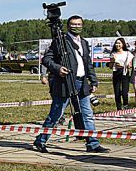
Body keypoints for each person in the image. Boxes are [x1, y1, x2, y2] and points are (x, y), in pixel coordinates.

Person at [31, 15, 109, 154]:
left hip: (82, 83)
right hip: (65, 83)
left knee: (87, 114)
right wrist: (58, 68)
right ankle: (41, 140)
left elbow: (88, 63)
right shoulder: (60, 41)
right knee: (56, 114)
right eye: (73, 24)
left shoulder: (84, 42)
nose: (76, 27)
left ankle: (92, 143)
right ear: (68, 26)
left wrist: (93, 80)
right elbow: (47, 59)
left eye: (79, 24)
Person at [109, 37, 133, 110]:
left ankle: (125, 105)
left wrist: (126, 65)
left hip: (125, 72)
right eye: (116, 43)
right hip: (116, 72)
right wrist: (113, 61)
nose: (117, 45)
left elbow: (130, 65)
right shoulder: (113, 53)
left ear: (123, 44)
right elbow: (110, 66)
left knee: (125, 92)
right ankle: (119, 108)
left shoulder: (127, 53)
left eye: (119, 43)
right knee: (117, 92)